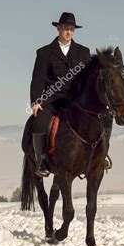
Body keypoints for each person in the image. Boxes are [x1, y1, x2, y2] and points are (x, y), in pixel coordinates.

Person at [30, 12, 91, 177]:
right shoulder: (44, 53)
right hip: (53, 100)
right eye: (65, 28)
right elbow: (38, 79)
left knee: (97, 120)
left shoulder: (84, 52)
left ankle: (99, 156)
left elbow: (87, 80)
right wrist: (36, 102)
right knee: (40, 124)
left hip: (76, 102)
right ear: (58, 28)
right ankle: (41, 161)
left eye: (72, 29)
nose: (69, 32)